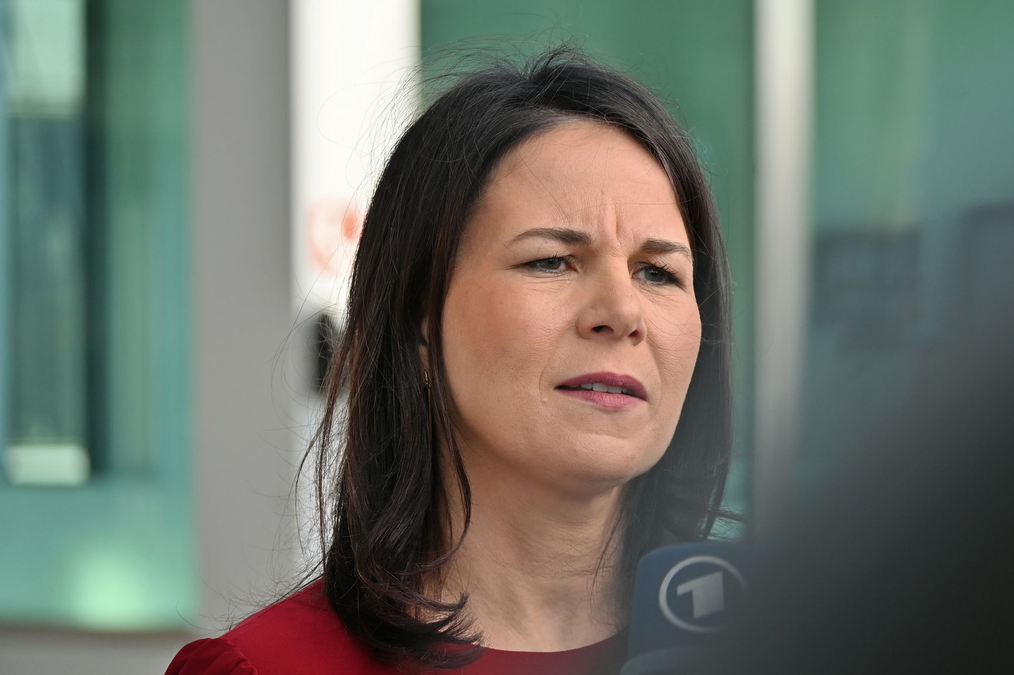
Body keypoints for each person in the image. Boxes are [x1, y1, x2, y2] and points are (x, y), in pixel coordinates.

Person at [166, 46, 735, 675]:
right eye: (551, 261)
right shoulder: (268, 668)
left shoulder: (789, 645)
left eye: (658, 272)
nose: (623, 312)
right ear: (418, 314)